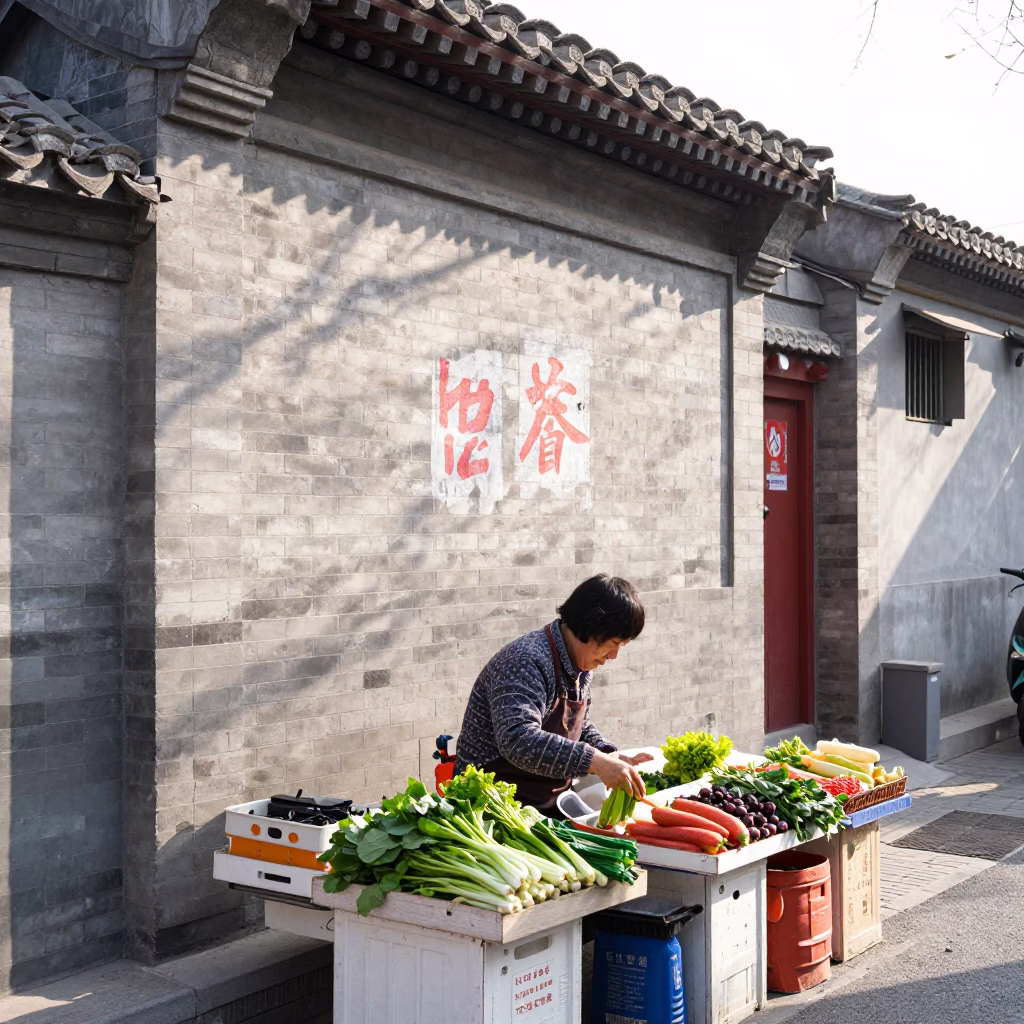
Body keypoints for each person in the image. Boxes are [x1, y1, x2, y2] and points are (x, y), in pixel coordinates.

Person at [454, 574, 653, 816]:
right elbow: (517, 739)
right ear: (590, 627)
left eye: (622, 646)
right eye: (613, 643)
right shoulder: (526, 661)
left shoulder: (579, 663)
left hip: (544, 805)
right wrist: (595, 761)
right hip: (491, 810)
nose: (614, 656)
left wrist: (607, 753)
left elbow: (574, 726)